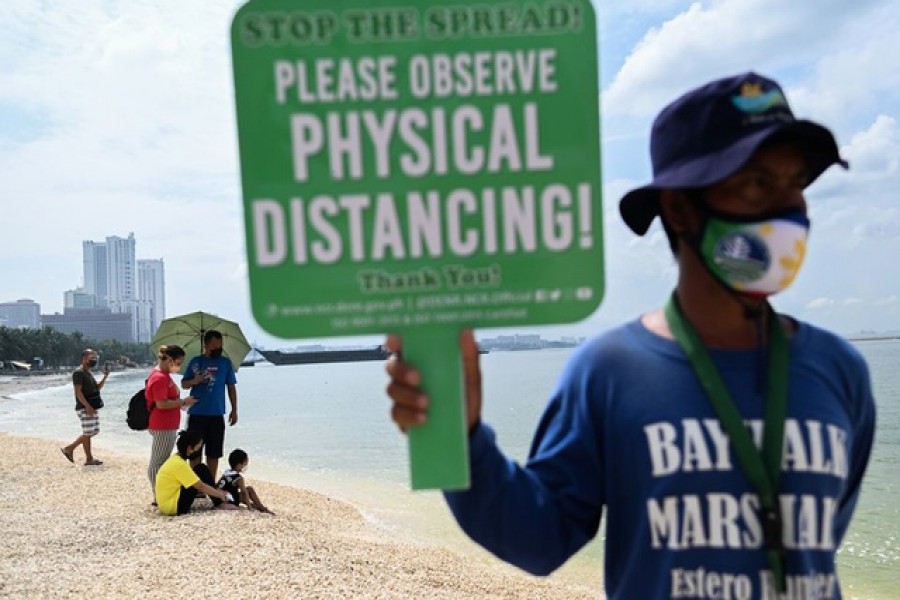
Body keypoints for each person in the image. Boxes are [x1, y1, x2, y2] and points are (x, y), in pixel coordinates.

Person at [384, 72, 877, 598]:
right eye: (756, 182)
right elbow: (541, 540)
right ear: (680, 207)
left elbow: (818, 542)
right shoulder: (609, 370)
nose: (790, 208)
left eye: (796, 183)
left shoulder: (840, 370)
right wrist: (460, 438)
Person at [181, 329, 238, 480]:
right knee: (194, 452)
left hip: (216, 414)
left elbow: (231, 387)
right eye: (214, 345)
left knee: (214, 452)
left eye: (220, 344)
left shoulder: (225, 363)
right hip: (197, 414)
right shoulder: (195, 362)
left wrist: (234, 410)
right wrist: (194, 380)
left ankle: (210, 483)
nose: (218, 347)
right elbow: (184, 384)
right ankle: (195, 483)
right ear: (206, 345)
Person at [145, 344, 196, 503]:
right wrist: (183, 401)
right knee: (158, 461)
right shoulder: (159, 377)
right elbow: (161, 404)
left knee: (162, 459)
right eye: (178, 363)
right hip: (162, 425)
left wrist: (182, 403)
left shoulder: (163, 375)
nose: (178, 366)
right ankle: (157, 494)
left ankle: (160, 493)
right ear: (169, 360)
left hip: (167, 424)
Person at [154, 429, 230, 516]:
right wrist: (220, 495)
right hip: (174, 507)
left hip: (166, 504)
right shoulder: (180, 465)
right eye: (198, 447)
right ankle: (219, 502)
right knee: (201, 470)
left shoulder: (175, 459)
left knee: (199, 469)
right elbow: (200, 486)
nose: (198, 450)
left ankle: (218, 498)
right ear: (190, 448)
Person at [61, 348, 110, 466]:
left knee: (94, 431)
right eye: (91, 358)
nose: (94, 360)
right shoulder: (78, 373)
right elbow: (78, 392)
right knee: (88, 433)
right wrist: (87, 406)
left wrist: (105, 377)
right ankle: (77, 452)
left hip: (92, 407)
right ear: (84, 359)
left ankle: (78, 453)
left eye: (95, 358)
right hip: (84, 407)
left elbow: (97, 388)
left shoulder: (88, 373)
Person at [214, 448, 275, 514]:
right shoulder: (238, 478)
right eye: (244, 464)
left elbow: (218, 485)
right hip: (229, 500)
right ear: (239, 465)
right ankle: (262, 508)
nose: (245, 466)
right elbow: (244, 492)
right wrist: (249, 507)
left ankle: (255, 505)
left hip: (220, 498)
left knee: (239, 492)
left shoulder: (226, 473)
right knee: (249, 489)